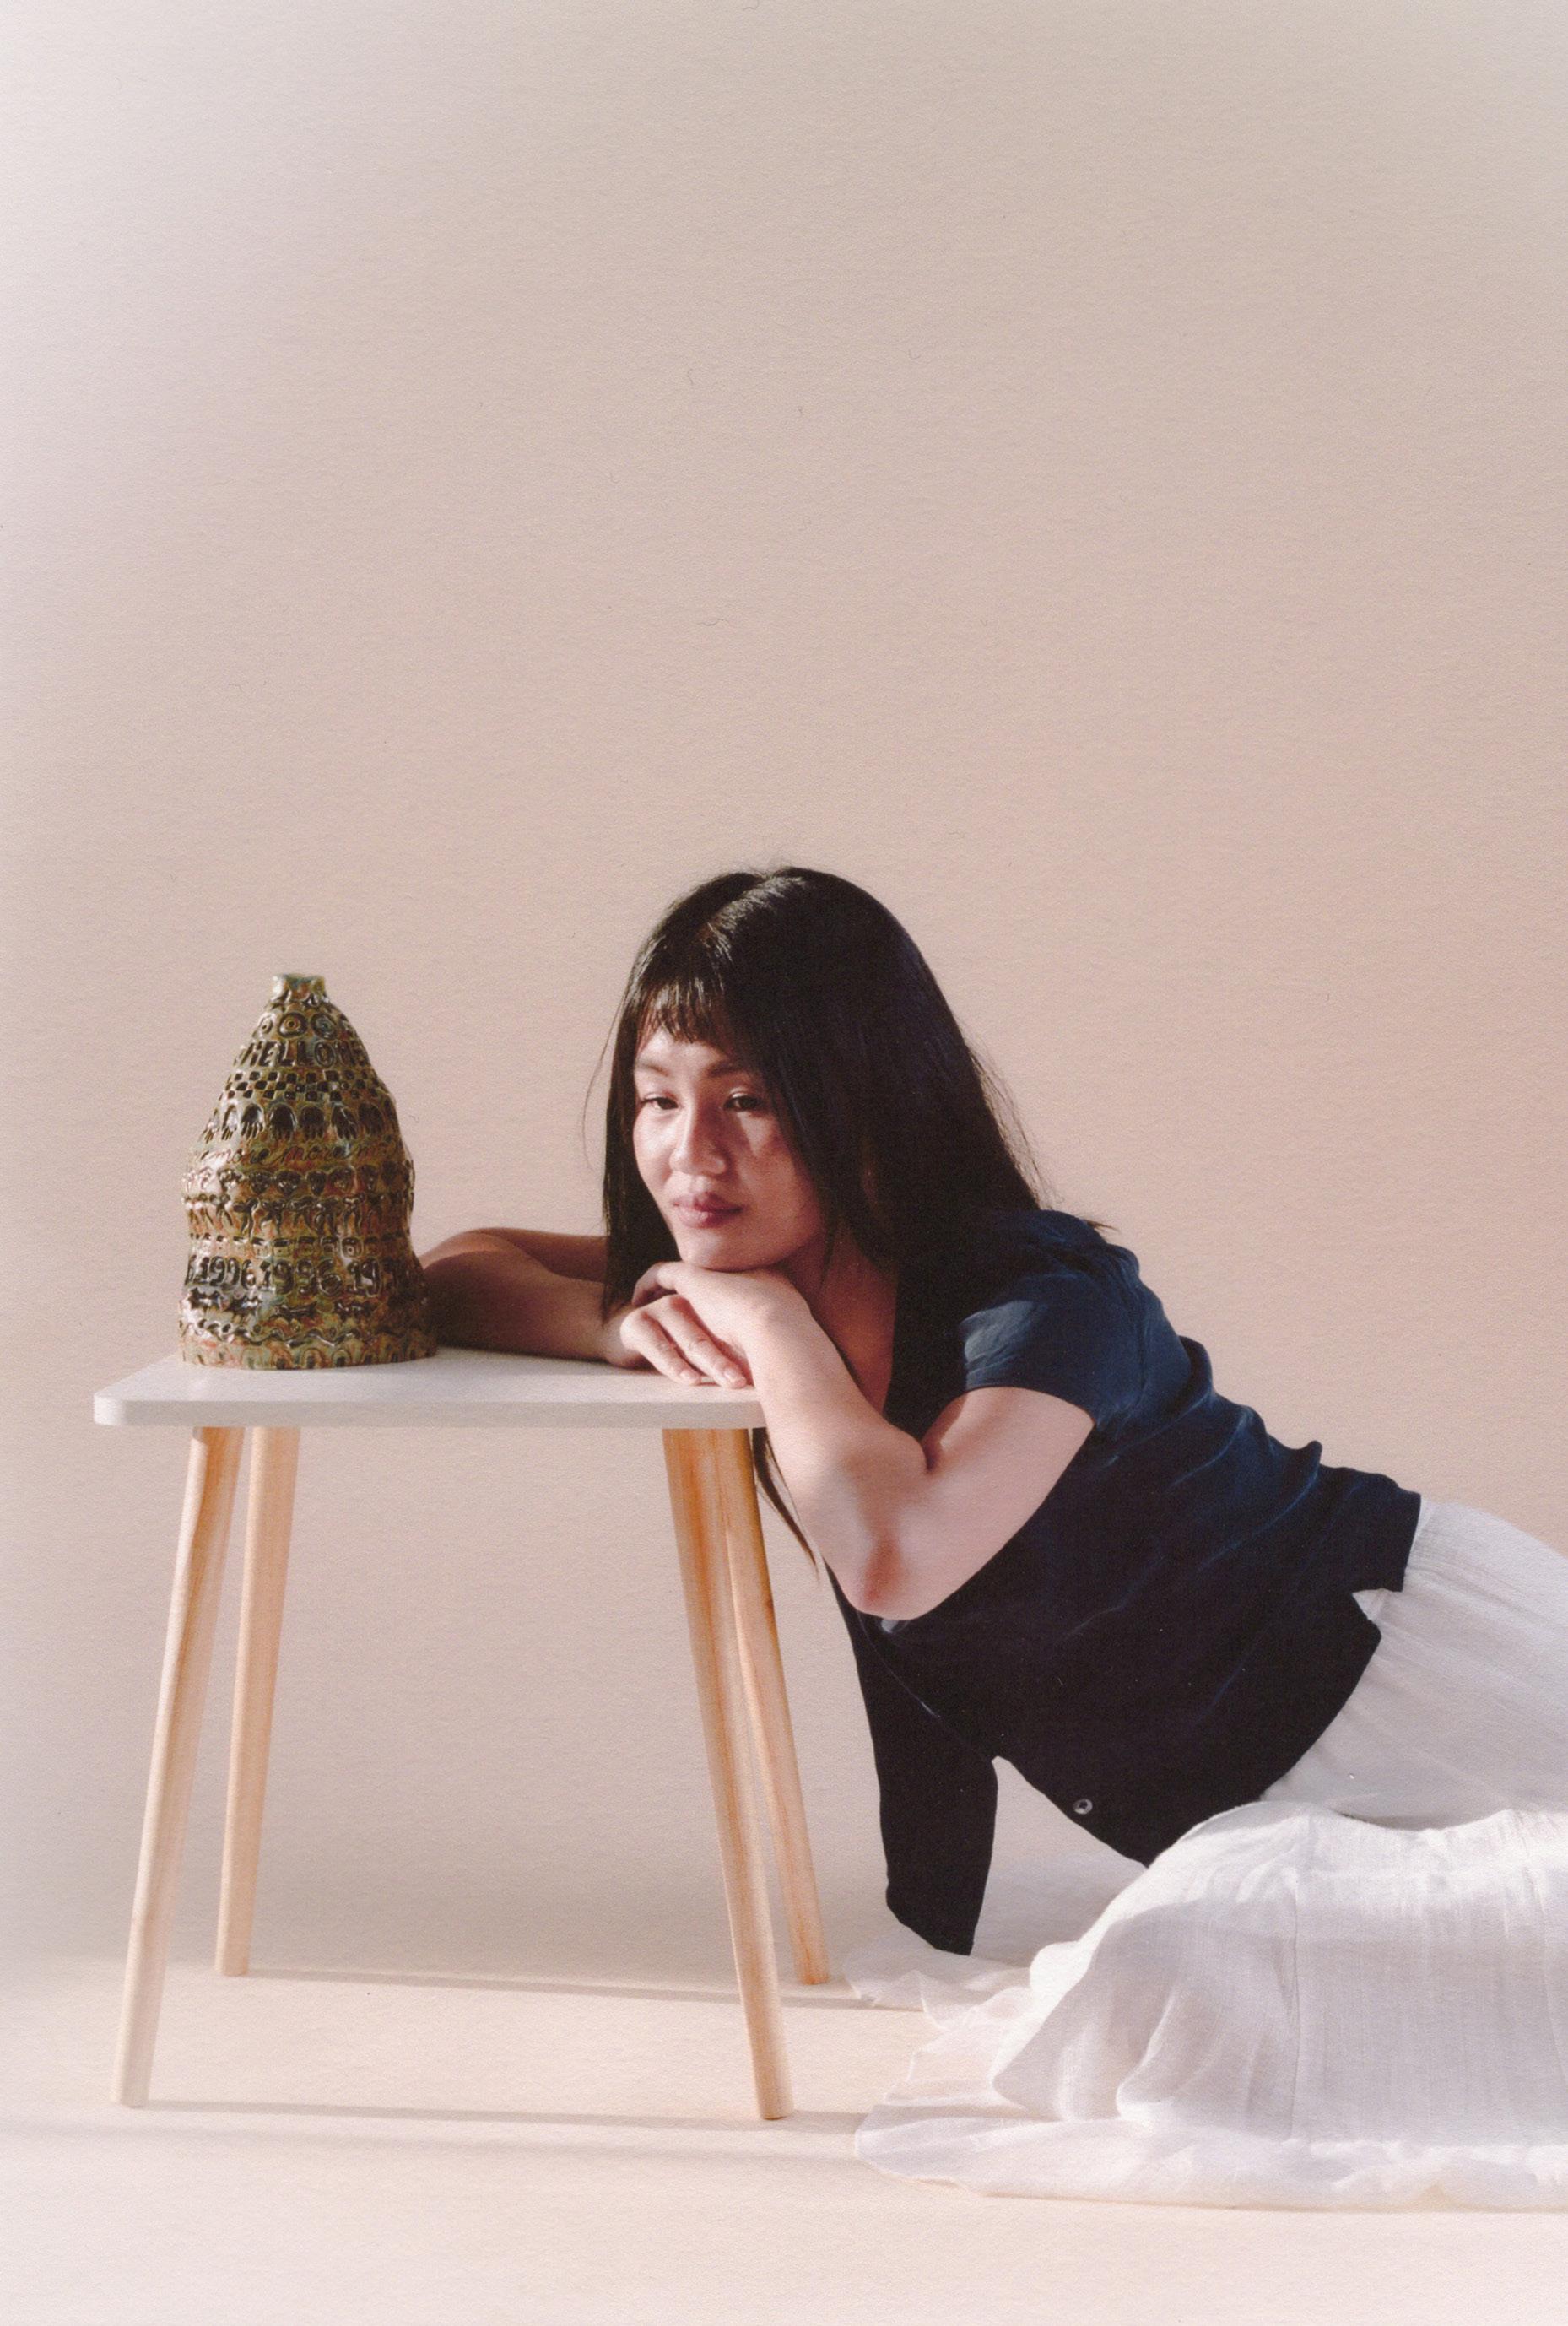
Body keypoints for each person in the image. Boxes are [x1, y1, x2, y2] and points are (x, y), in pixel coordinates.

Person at [419, 863, 1568, 1959]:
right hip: (1276, 1777)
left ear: (864, 1104)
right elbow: (453, 1271)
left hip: (1422, 1681)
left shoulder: (1042, 1302)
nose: (689, 1153)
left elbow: (895, 1558)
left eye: (747, 1099)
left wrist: (767, 1325)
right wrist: (615, 1326)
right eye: (658, 1099)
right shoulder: (757, 1250)